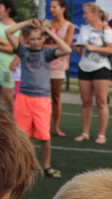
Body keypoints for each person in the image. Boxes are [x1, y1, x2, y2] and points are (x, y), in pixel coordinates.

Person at [6, 18, 72, 178]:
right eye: (32, 39)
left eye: (39, 38)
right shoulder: (23, 51)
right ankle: (26, 166)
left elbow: (66, 49)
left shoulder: (47, 53)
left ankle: (47, 166)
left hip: (41, 100)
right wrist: (27, 22)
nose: (35, 42)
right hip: (24, 98)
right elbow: (8, 32)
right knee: (24, 135)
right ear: (28, 40)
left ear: (43, 39)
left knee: (44, 135)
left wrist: (48, 32)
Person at [73, 3, 112, 144]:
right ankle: (85, 132)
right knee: (86, 102)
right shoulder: (84, 29)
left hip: (101, 67)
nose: (84, 16)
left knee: (101, 101)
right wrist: (77, 48)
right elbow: (81, 50)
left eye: (86, 13)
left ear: (94, 14)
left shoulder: (106, 29)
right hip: (85, 66)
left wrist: (93, 47)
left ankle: (101, 134)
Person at [46, 0, 75, 138]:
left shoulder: (69, 26)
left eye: (54, 7)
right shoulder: (47, 24)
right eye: (50, 7)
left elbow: (67, 46)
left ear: (63, 8)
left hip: (59, 65)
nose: (52, 10)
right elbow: (41, 44)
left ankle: (56, 127)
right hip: (44, 63)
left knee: (55, 97)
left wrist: (51, 47)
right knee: (42, 97)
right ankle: (44, 125)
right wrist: (57, 47)